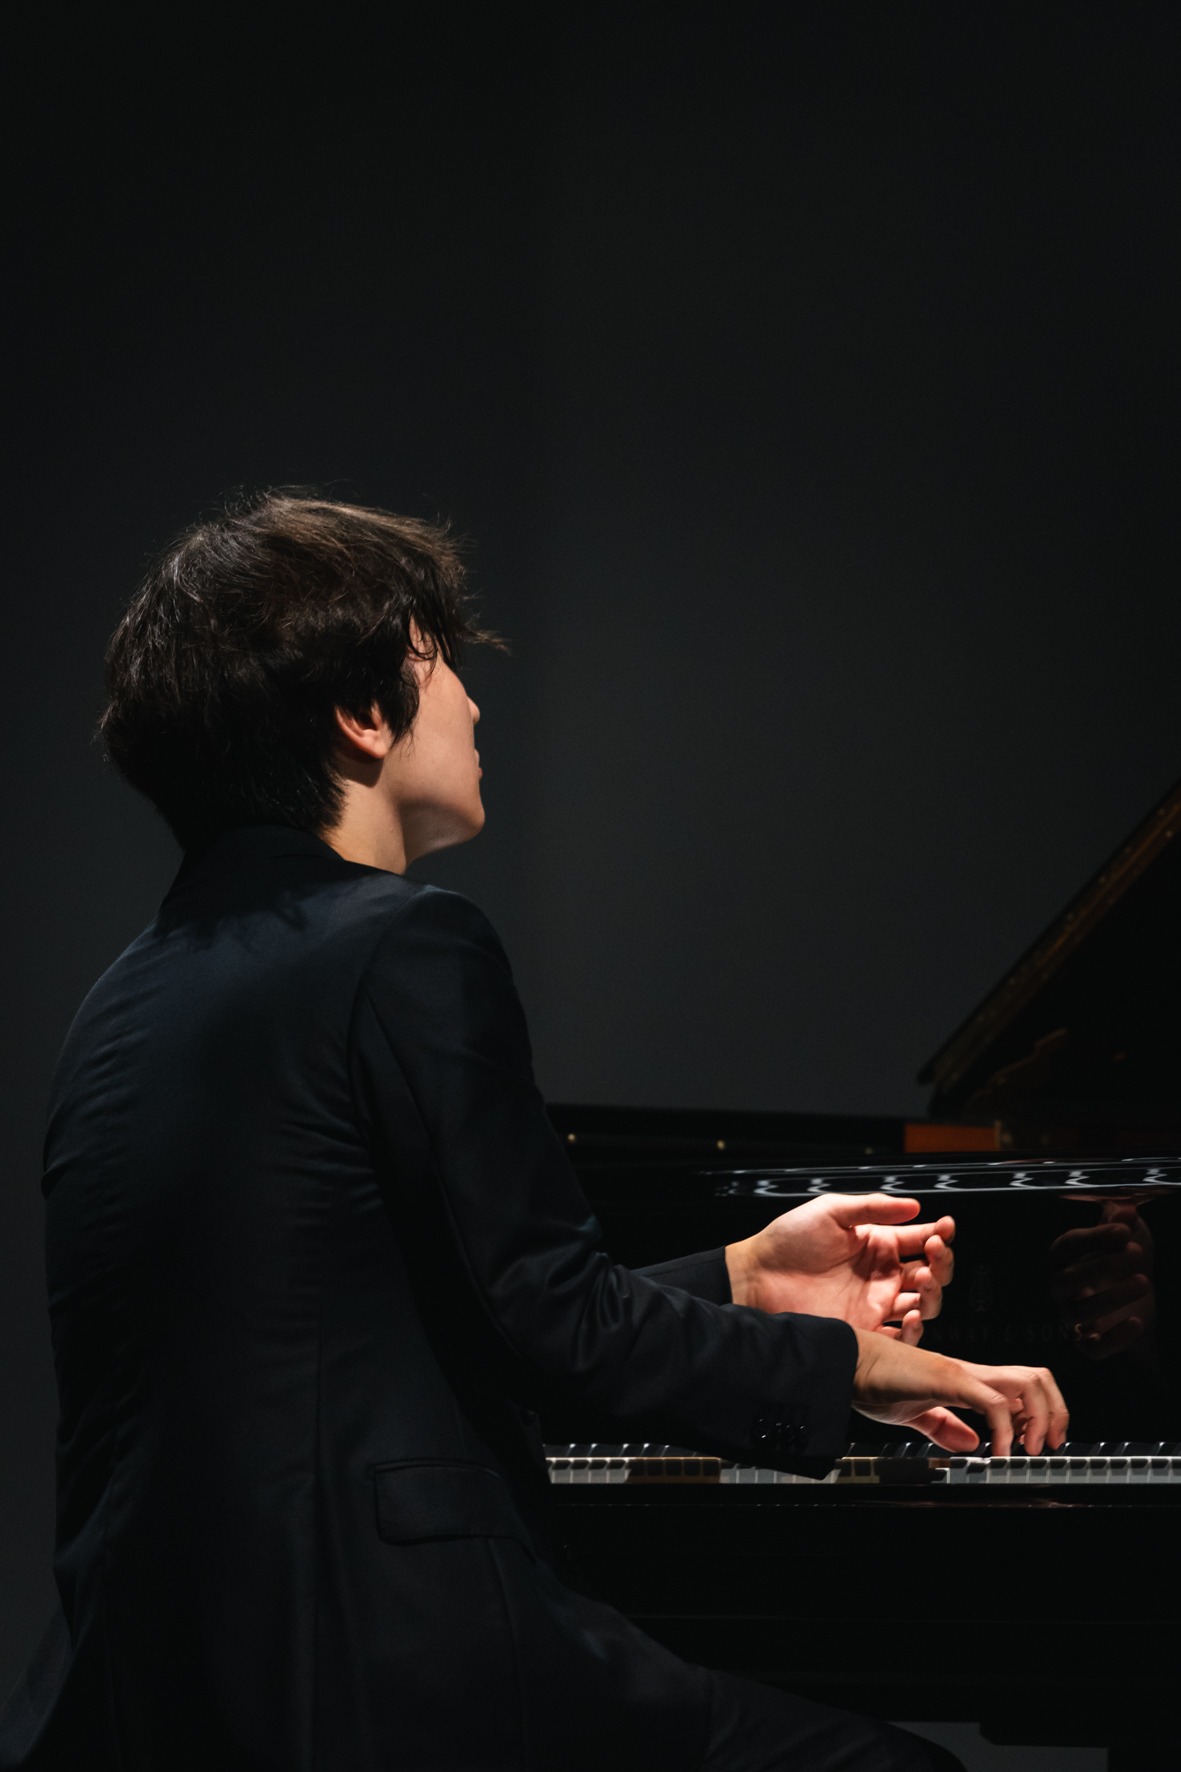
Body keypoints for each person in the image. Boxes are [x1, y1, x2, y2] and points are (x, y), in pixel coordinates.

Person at [0, 493, 1067, 1772]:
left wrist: (741, 1276)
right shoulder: (406, 941)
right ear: (362, 712)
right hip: (389, 1663)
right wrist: (845, 1366)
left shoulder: (121, 1004)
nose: (473, 703)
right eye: (441, 660)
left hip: (144, 1685)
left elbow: (381, 1320)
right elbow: (549, 1323)